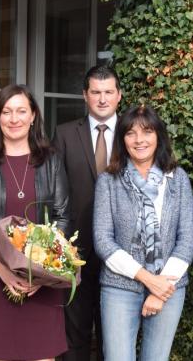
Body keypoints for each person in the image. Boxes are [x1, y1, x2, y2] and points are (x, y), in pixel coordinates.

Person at [0, 84, 70, 361]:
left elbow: (62, 215)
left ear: (33, 115)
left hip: (42, 282)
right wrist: (5, 273)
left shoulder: (52, 160)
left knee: (41, 355)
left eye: (21, 111)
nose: (14, 118)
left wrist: (41, 273)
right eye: (7, 112)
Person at [92, 104, 193, 361]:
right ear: (122, 139)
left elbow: (187, 238)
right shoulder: (109, 181)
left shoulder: (177, 178)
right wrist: (149, 280)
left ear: (158, 136)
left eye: (147, 132)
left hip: (169, 288)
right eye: (131, 133)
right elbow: (103, 240)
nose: (140, 140)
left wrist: (161, 288)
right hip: (120, 287)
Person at [52, 64, 122, 361]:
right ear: (85, 95)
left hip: (122, 253)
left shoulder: (136, 134)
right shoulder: (65, 134)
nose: (102, 99)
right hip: (75, 250)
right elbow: (54, 191)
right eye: (96, 92)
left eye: (108, 92)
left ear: (119, 95)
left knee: (116, 336)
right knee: (74, 334)